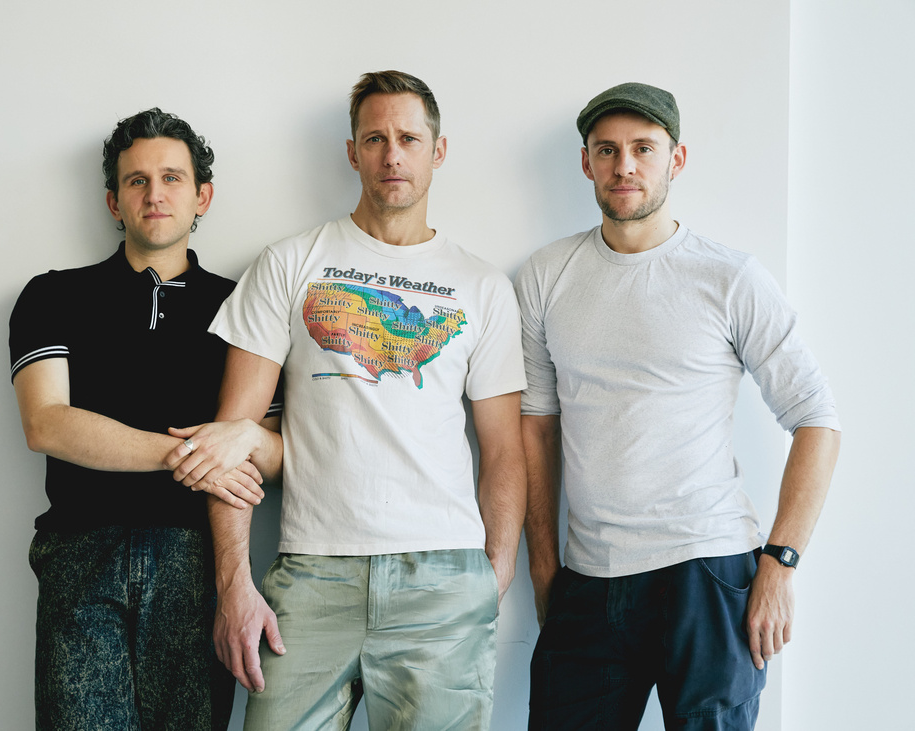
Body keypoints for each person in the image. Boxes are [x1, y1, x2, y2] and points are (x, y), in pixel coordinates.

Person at [167, 70, 527, 730]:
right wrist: (234, 586)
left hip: (443, 575)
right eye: (376, 138)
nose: (393, 155)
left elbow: (505, 451)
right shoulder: (289, 262)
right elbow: (231, 440)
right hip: (311, 573)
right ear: (352, 150)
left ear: (437, 151)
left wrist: (490, 578)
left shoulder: (481, 287)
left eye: (410, 139)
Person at [517, 82, 841, 730]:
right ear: (586, 163)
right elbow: (537, 431)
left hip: (710, 573)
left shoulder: (728, 277)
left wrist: (780, 563)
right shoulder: (545, 277)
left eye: (643, 148)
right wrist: (545, 568)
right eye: (606, 150)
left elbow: (817, 418)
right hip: (590, 576)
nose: (624, 166)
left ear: (677, 158)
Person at [9, 108, 279, 730]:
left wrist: (241, 443)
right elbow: (46, 423)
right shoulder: (52, 295)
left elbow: (275, 449)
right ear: (113, 200)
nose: (155, 194)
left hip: (195, 557)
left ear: (202, 195)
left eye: (172, 178)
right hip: (81, 552)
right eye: (136, 181)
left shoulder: (245, 308)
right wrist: (189, 456)